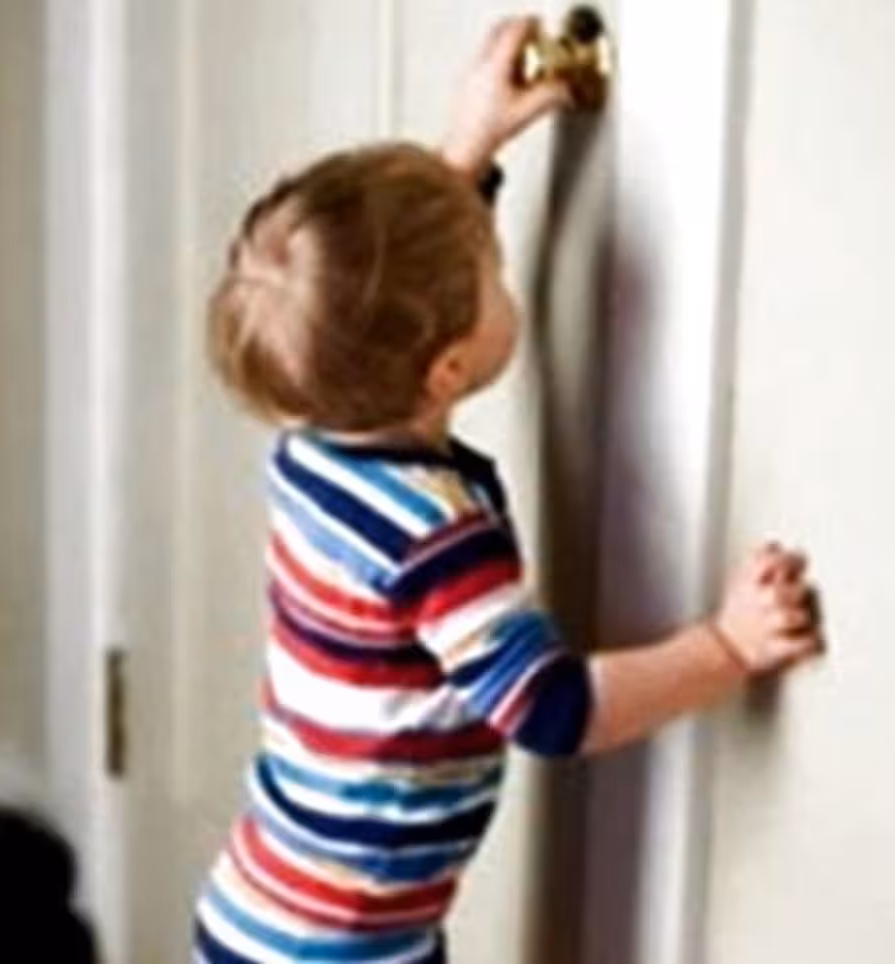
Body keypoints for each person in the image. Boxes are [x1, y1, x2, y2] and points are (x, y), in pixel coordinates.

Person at [194, 15, 823, 963]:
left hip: (261, 907)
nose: (497, 268)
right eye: (490, 272)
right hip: (347, 948)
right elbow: (555, 710)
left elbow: (376, 307)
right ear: (447, 369)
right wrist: (726, 646)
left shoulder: (311, 436)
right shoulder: (436, 537)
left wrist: (471, 145)